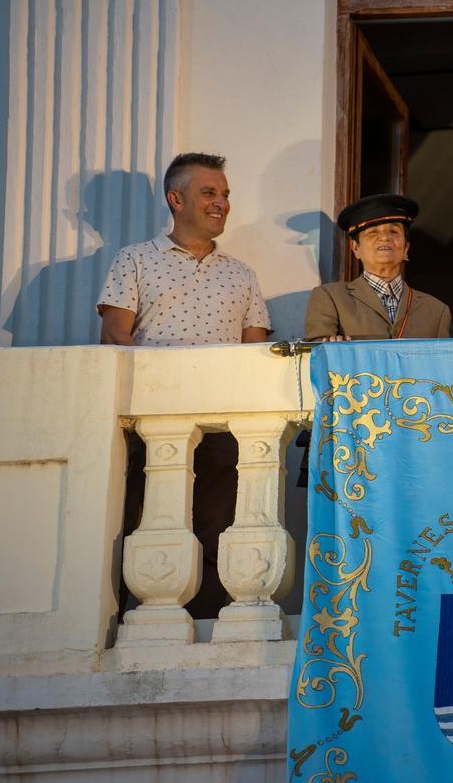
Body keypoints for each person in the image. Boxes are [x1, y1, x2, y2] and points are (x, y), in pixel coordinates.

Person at [97, 151, 272, 620]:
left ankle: (206, 628)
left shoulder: (242, 274)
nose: (221, 203)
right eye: (209, 193)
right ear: (176, 199)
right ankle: (124, 625)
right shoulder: (134, 259)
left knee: (217, 528)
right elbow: (115, 334)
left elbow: (255, 349)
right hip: (148, 426)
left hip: (221, 428)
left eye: (226, 195)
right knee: (138, 524)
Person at [303, 194, 452, 341]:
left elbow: (446, 364)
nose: (385, 237)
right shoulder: (330, 297)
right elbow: (317, 356)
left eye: (393, 232)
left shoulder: (437, 311)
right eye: (373, 232)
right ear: (355, 248)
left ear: (406, 248)